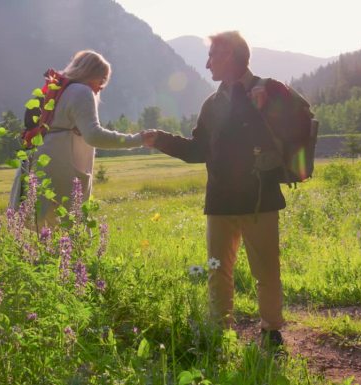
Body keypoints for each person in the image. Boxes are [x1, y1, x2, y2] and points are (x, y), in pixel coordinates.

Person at [143, 31, 311, 348]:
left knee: (267, 272)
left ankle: (271, 333)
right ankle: (220, 334)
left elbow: (299, 123)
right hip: (220, 203)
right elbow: (197, 151)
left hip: (260, 200)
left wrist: (267, 105)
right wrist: (160, 139)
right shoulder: (212, 104)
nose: (206, 64)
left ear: (230, 56)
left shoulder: (270, 90)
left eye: (212, 56)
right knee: (217, 272)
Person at [9, 50, 149, 227]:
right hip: (61, 164)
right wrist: (138, 140)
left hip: (38, 160)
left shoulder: (58, 88)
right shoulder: (82, 91)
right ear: (90, 74)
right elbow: (94, 136)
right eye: (102, 80)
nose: (101, 87)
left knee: (43, 229)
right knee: (71, 230)